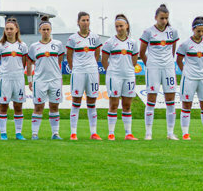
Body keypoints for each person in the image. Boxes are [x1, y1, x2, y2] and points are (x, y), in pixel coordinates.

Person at [139, 4, 180, 140]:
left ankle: (170, 133)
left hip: (168, 68)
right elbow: (142, 52)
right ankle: (148, 133)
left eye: (166, 18)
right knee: (151, 100)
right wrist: (150, 65)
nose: (164, 21)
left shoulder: (172, 32)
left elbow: (172, 50)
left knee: (170, 100)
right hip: (153, 69)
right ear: (155, 17)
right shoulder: (148, 32)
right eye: (162, 18)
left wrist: (168, 62)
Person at [176, 17, 203, 140]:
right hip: (189, 78)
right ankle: (185, 134)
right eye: (198, 31)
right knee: (187, 104)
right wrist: (186, 71)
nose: (201, 33)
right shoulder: (185, 44)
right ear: (193, 29)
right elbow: (179, 60)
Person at [101, 14, 139, 141]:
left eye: (121, 26)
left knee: (127, 105)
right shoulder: (109, 42)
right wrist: (111, 72)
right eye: (117, 26)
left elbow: (134, 61)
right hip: (114, 76)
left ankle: (128, 133)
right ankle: (111, 133)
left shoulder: (132, 43)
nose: (119, 29)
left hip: (128, 76)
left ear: (126, 26)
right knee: (114, 104)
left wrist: (127, 69)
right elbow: (104, 60)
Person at [66, 12, 102, 140]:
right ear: (78, 22)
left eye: (87, 20)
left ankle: (93, 133)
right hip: (78, 72)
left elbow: (97, 54)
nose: (86, 22)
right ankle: (73, 133)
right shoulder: (72, 38)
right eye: (83, 20)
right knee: (76, 101)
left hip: (92, 72)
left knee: (92, 102)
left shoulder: (95, 37)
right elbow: (69, 56)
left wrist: (91, 65)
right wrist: (74, 68)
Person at [27, 17, 64, 140]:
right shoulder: (34, 46)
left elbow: (59, 60)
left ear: (51, 30)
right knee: (38, 107)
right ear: (40, 30)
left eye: (48, 29)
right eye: (43, 29)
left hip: (55, 80)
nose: (46, 31)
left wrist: (58, 75)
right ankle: (34, 133)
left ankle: (55, 133)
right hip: (40, 80)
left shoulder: (58, 44)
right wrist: (29, 80)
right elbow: (29, 62)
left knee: (54, 106)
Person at [0, 18, 29, 140]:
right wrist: (3, 75)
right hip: (5, 79)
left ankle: (18, 133)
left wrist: (18, 72)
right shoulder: (0, 46)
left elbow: (23, 63)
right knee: (3, 106)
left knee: (18, 106)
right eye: (7, 29)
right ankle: (3, 133)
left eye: (11, 29)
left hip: (18, 79)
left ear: (16, 30)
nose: (9, 31)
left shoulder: (22, 46)